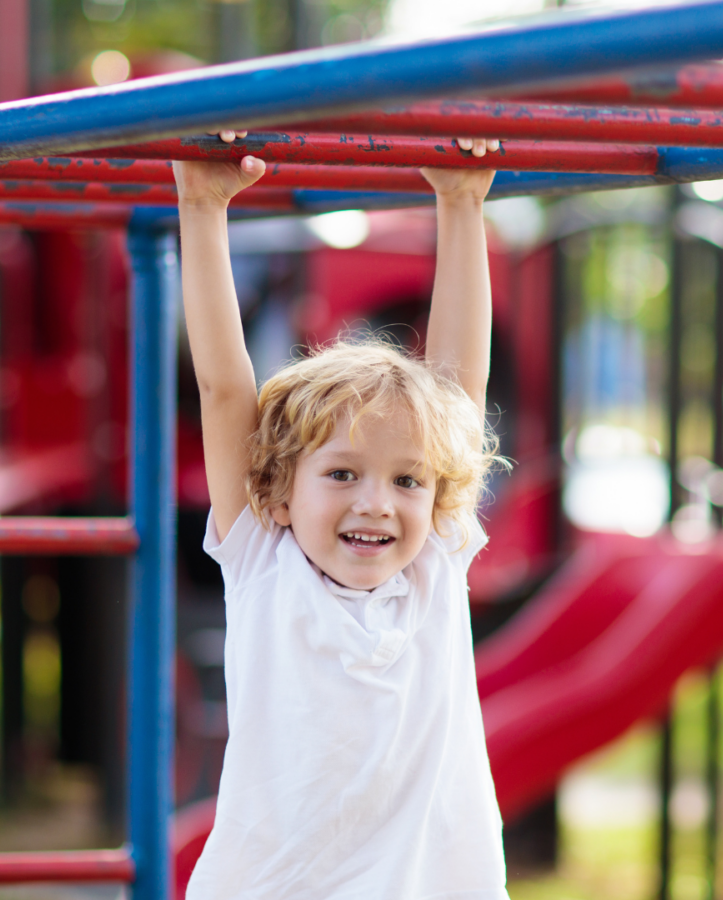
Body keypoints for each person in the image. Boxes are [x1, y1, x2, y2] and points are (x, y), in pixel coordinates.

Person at [173, 131, 510, 899]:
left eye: (406, 480)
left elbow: (460, 383)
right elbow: (225, 390)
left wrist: (460, 204)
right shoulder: (265, 559)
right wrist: (202, 205)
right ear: (280, 490)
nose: (376, 503)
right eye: (343, 473)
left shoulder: (435, 564)